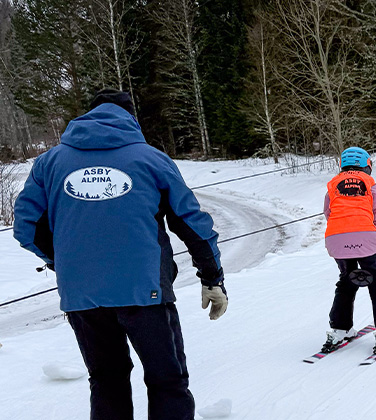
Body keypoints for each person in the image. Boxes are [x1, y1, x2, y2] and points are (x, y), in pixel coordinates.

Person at [13, 89, 227, 420]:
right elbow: (192, 224)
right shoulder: (151, 158)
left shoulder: (49, 163)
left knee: (106, 381)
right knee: (167, 381)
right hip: (146, 293)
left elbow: (27, 227)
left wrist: (64, 263)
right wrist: (212, 277)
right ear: (130, 118)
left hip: (82, 296)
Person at [322, 147, 376, 354]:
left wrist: (343, 230)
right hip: (365, 236)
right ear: (368, 165)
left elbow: (328, 211)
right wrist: (371, 226)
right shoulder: (369, 182)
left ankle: (340, 329)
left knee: (347, 280)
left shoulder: (332, 184)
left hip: (335, 238)